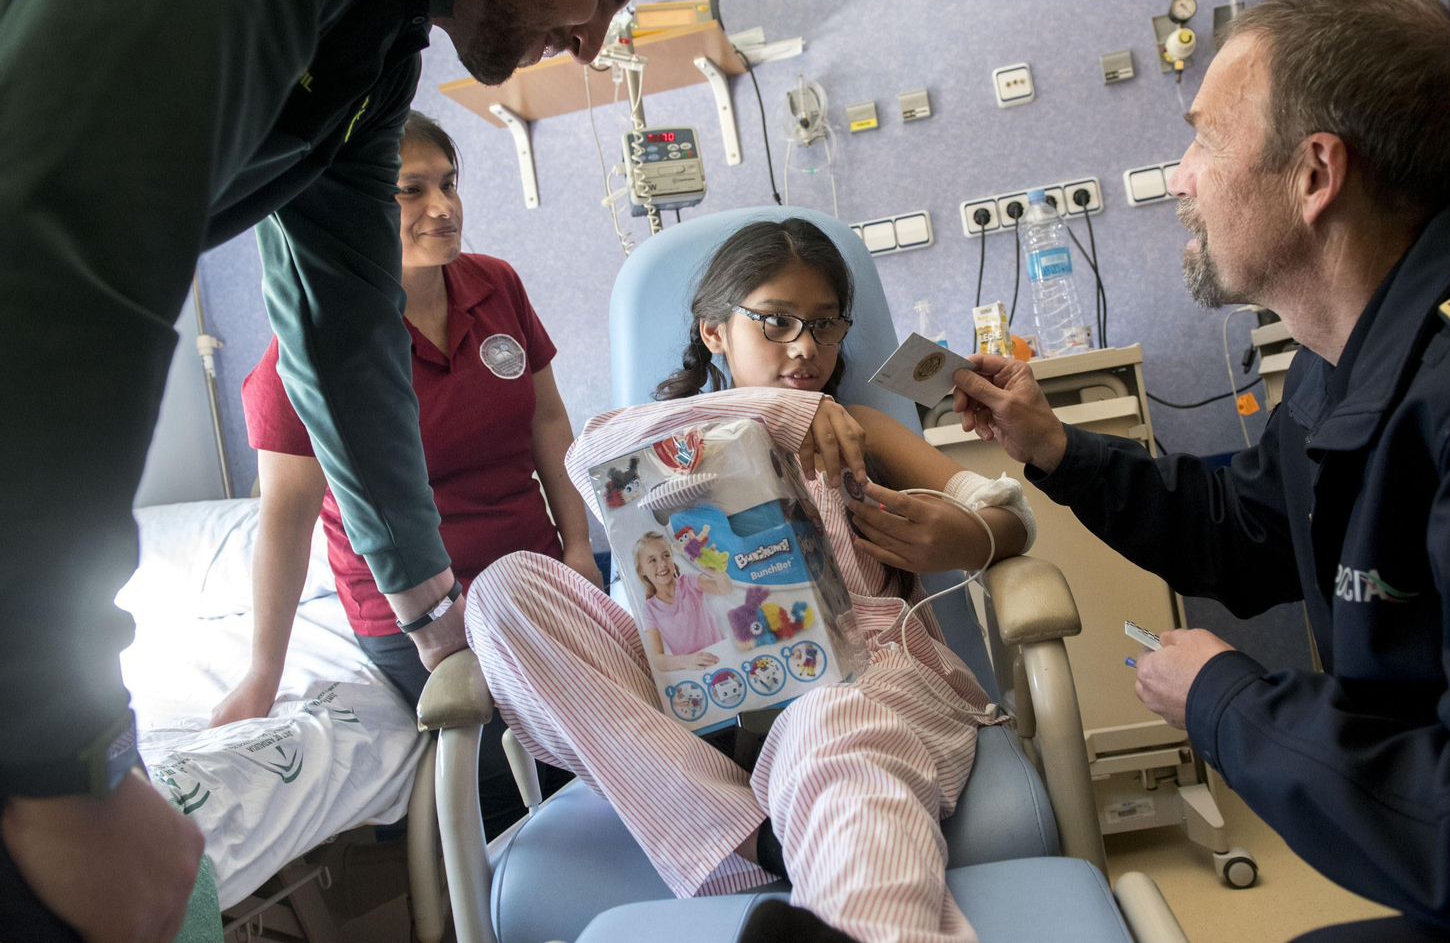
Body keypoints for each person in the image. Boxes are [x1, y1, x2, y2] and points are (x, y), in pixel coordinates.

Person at [0, 0, 674, 938]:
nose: (595, 41)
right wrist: (70, 765)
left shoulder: (371, 44)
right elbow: (49, 255)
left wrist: (432, 616)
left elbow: (344, 339)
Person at [951, 0, 1450, 943]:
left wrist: (1228, 705)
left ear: (1313, 175)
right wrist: (1053, 450)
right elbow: (1245, 527)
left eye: (1204, 138)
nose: (1180, 177)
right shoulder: (1357, 356)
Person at [463, 219, 1038, 943]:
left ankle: (850, 915)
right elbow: (589, 459)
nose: (805, 347)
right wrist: (780, 411)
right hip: (694, 704)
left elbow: (1005, 515)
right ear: (713, 334)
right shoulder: (665, 433)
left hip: (851, 680)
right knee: (503, 592)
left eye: (825, 326)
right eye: (775, 322)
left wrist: (969, 535)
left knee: (831, 729)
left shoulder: (859, 428)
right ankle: (753, 838)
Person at [208, 111, 595, 836]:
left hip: (536, 570)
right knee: (519, 765)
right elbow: (284, 522)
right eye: (409, 192)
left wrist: (577, 546)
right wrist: (263, 670)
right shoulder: (314, 354)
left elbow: (549, 423)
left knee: (633, 703)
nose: (442, 208)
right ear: (354, 206)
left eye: (448, 184)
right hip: (419, 608)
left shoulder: (495, 286)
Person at [633, 531, 736, 670]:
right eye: (652, 560)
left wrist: (717, 573)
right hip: (693, 672)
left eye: (666, 556)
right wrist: (687, 661)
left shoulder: (689, 581)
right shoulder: (649, 609)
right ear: (641, 571)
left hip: (722, 656)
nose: (662, 563)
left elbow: (726, 589)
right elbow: (658, 660)